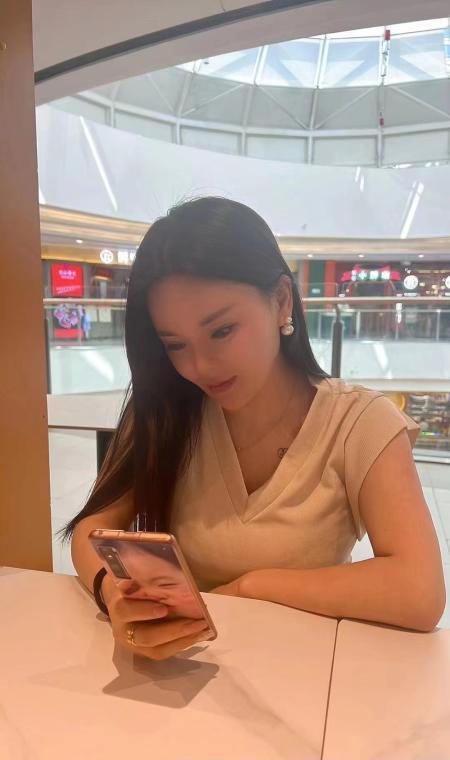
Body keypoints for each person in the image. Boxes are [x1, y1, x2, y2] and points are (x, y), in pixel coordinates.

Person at [60, 197, 445, 662]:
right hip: (182, 675)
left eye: (221, 331)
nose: (200, 366)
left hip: (309, 678)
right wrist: (113, 592)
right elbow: (92, 529)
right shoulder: (166, 412)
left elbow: (419, 591)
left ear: (281, 300)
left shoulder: (359, 422)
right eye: (176, 345)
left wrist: (253, 587)